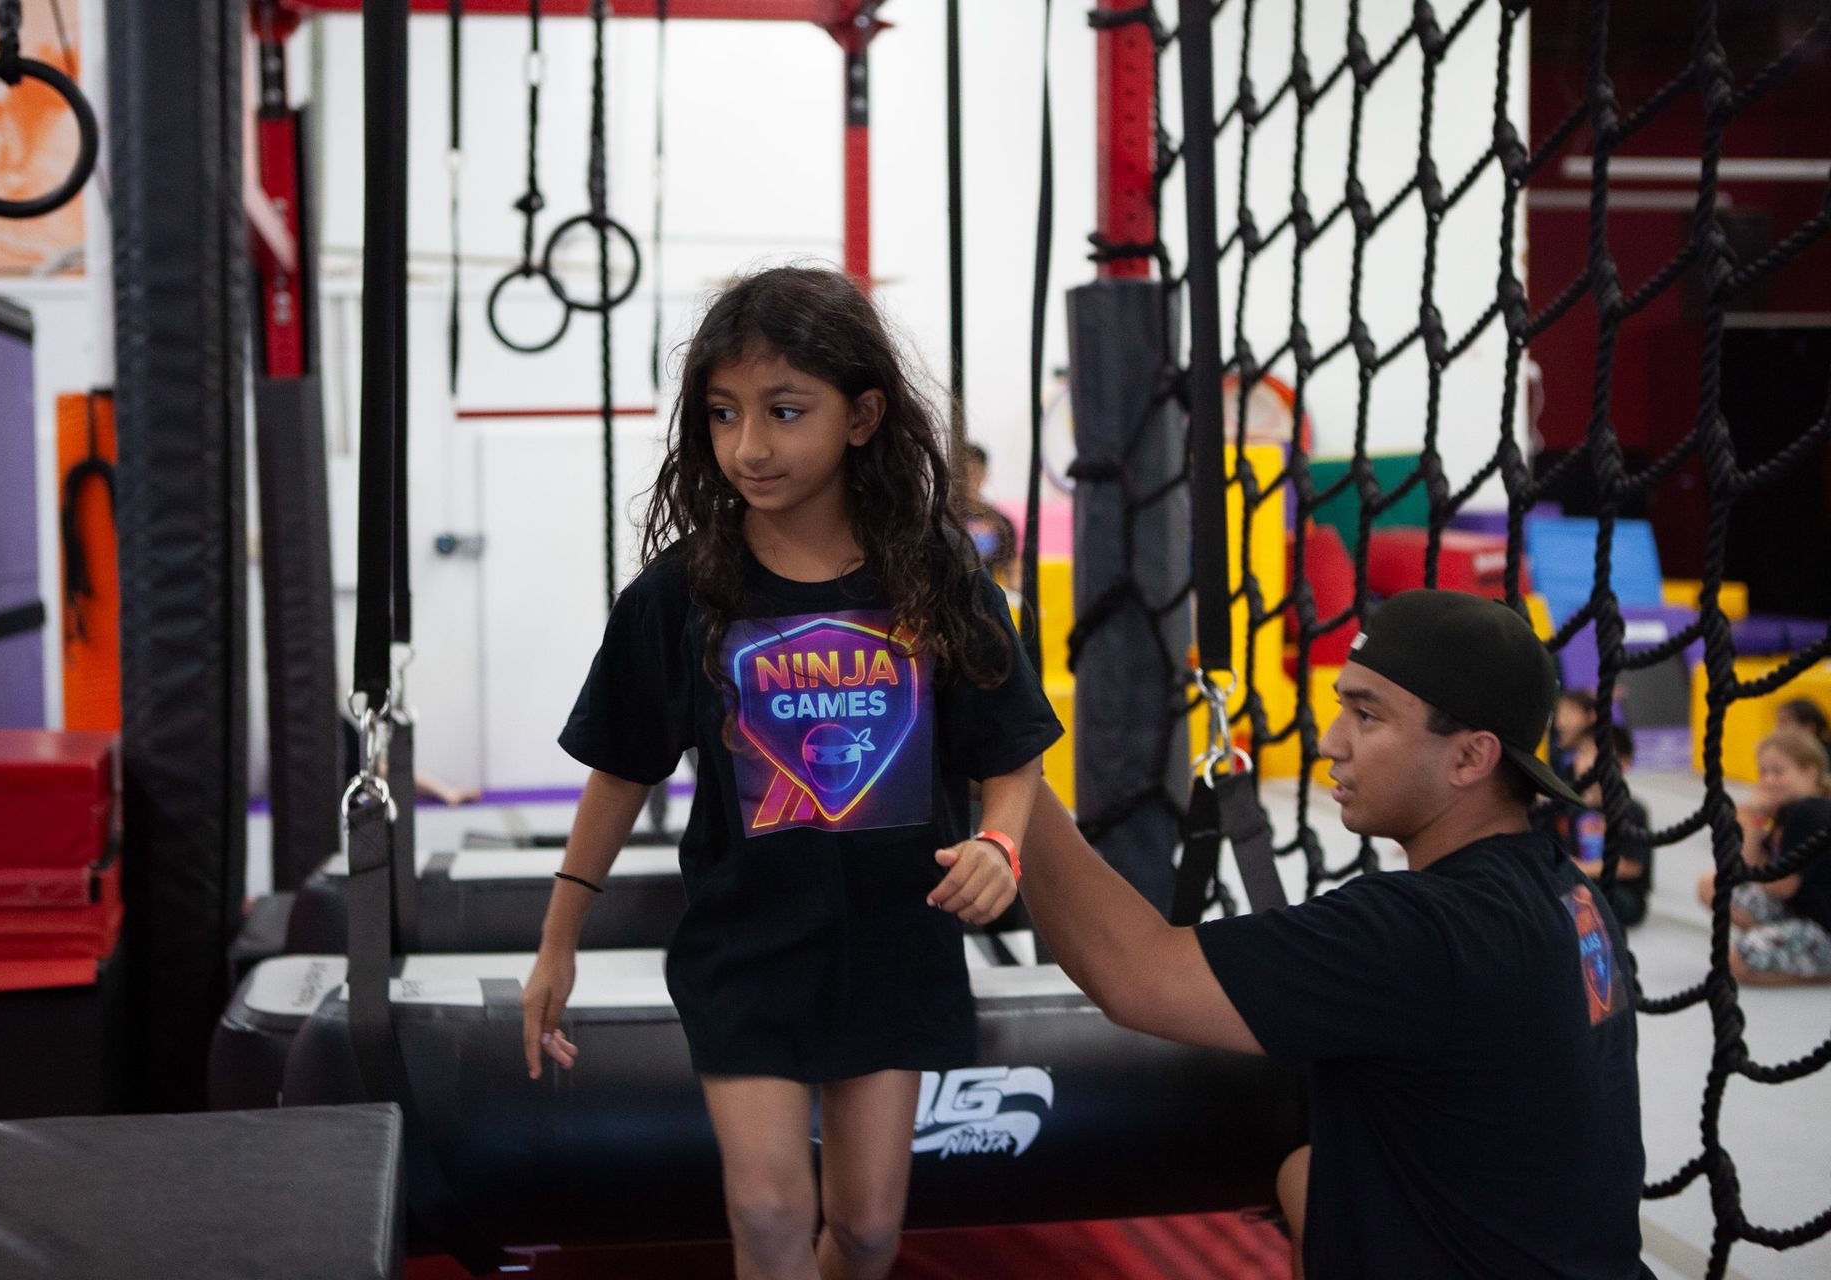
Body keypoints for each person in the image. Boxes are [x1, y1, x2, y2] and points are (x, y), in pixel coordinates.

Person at [520, 266, 1062, 1280]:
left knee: (866, 1230)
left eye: (784, 411)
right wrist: (558, 943)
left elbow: (1011, 747)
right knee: (768, 1210)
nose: (749, 448)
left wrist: (1001, 841)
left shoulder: (937, 575)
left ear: (862, 417)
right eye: (723, 414)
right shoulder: (682, 591)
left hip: (895, 940)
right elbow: (620, 769)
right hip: (749, 941)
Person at [1018, 590, 1653, 1279]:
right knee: (1304, 1175)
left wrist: (1009, 766)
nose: (1331, 741)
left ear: (1471, 758)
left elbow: (1135, 975)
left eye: (1367, 716)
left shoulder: (1420, 929)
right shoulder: (1571, 892)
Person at [1697, 730, 1831, 986]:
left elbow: (1782, 885)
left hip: (1823, 926)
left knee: (1736, 961)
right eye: (1764, 772)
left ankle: (1817, 966)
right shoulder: (1786, 810)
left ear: (1810, 773)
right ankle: (1780, 942)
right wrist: (1754, 822)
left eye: (1778, 772)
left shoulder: (1811, 812)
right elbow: (1746, 869)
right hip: (1800, 910)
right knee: (1711, 884)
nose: (1768, 781)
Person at [1572, 723, 1653, 928]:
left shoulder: (1632, 811)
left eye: (1594, 754)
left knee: (1582, 896)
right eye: (1582, 752)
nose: (1584, 761)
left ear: (1622, 763)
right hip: (1579, 884)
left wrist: (1583, 869)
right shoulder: (1568, 807)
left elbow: (1633, 866)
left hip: (1622, 893)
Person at [957, 442, 1020, 590]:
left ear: (984, 474)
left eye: (975, 471)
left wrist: (1018, 595)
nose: (970, 477)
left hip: (985, 594)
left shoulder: (1001, 522)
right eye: (965, 471)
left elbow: (1013, 569)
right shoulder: (941, 518)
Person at [1553, 688, 1598, 778]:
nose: (1560, 723)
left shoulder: (1594, 759)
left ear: (1591, 716)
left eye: (1569, 714)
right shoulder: (1555, 753)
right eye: (1559, 713)